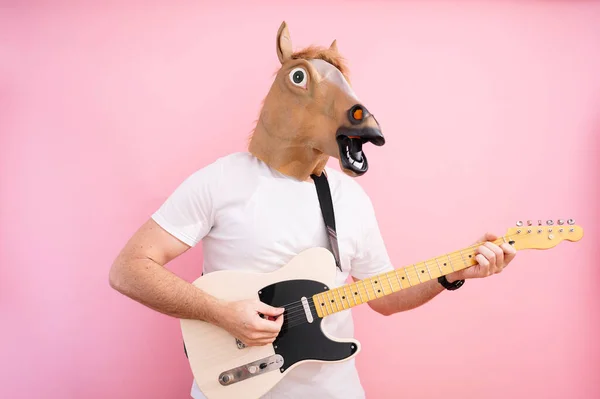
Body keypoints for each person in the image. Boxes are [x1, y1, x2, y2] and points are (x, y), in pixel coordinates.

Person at [109, 21, 517, 399]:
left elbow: (384, 296)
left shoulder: (350, 198)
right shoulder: (222, 179)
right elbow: (129, 268)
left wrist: (453, 272)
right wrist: (223, 314)